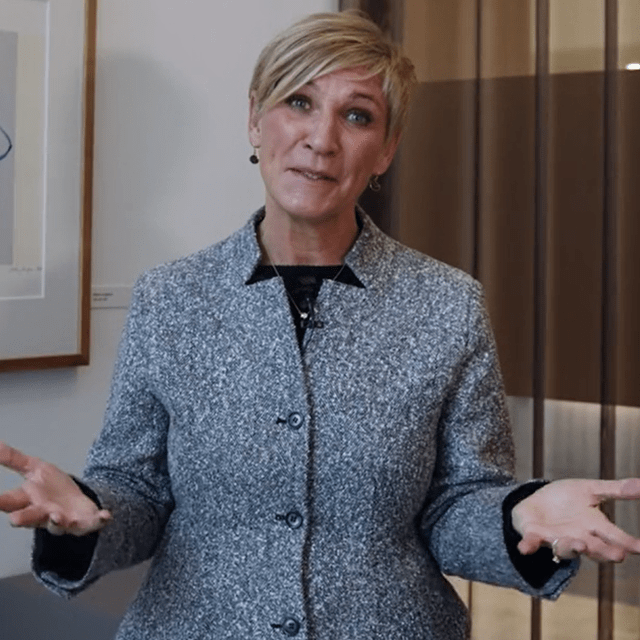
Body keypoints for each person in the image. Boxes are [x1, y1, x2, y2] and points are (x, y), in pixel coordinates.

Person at [1, 11, 639, 640]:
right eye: (299, 102)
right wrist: (87, 511)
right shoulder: (170, 297)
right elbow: (138, 490)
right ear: (255, 118)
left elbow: (457, 503)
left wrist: (515, 517)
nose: (321, 139)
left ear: (386, 149)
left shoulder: (447, 305)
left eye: (356, 116)